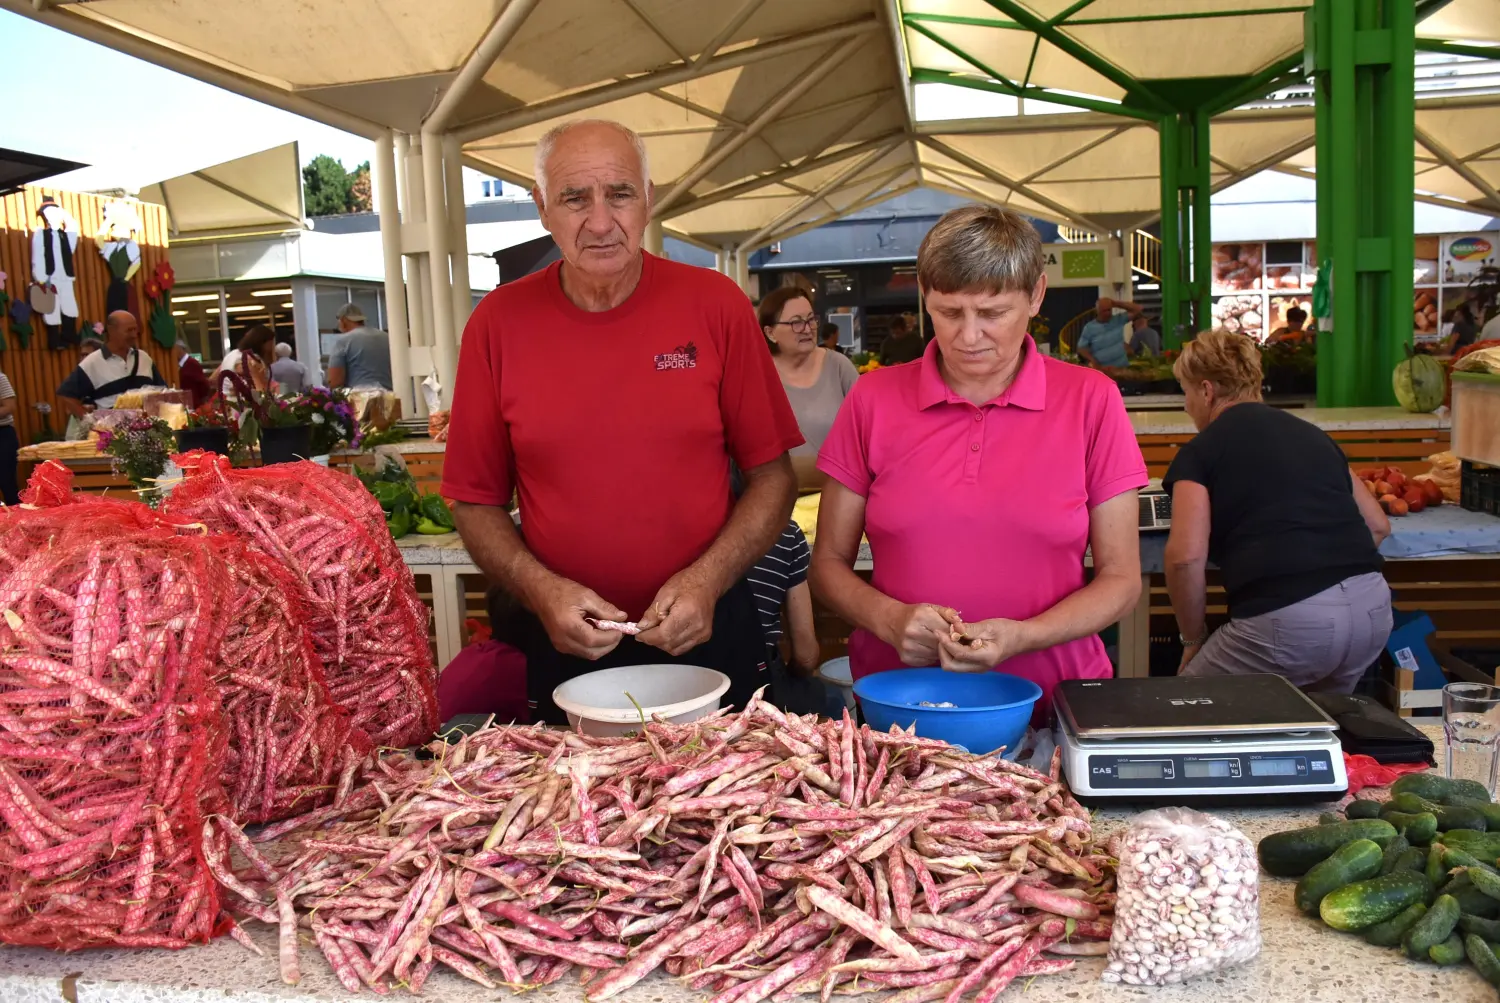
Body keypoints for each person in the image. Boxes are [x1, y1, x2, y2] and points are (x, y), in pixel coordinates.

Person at [442, 118, 802, 724]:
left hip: (711, 628)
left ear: (649, 199)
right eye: (575, 198)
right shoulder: (497, 325)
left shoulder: (715, 305)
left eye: (620, 194)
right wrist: (540, 590)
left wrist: (708, 581)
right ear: (541, 209)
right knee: (578, 819)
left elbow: (774, 476)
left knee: (728, 813)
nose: (602, 222)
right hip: (567, 641)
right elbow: (473, 501)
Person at [810, 206, 1148, 712]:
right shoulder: (872, 399)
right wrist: (888, 620)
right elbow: (828, 565)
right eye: (949, 312)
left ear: (1036, 296)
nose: (968, 337)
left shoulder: (1090, 399)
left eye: (992, 313)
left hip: (1056, 704)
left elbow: (1121, 579)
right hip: (902, 709)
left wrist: (1024, 636)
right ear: (925, 296)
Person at [1163, 330, 1393, 693]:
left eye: (1186, 392)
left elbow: (1185, 559)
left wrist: (1193, 641)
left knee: (1187, 707)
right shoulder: (1313, 435)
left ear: (1206, 391)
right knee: (1320, 727)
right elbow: (1377, 526)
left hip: (1291, 621)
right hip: (1371, 612)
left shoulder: (1201, 451)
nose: (1187, 404)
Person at [761, 286, 859, 458]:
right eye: (796, 323)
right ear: (770, 333)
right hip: (774, 483)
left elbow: (869, 428)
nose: (807, 329)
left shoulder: (838, 367)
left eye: (811, 320)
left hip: (838, 483)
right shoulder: (756, 375)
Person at [57, 311, 160, 430]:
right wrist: (91, 422)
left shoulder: (144, 358)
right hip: (113, 438)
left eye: (135, 329)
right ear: (111, 331)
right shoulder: (92, 362)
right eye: (129, 330)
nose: (134, 335)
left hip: (149, 433)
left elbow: (162, 391)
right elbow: (65, 394)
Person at [327, 303, 392, 390]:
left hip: (360, 398)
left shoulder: (343, 341)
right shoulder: (386, 337)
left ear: (343, 321)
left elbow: (335, 382)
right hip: (389, 396)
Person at [1074, 297, 1142, 371]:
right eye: (1104, 311)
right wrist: (1092, 360)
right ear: (1098, 311)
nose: (1108, 313)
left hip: (1122, 368)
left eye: (1109, 310)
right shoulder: (1089, 328)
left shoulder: (1118, 320)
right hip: (1103, 370)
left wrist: (1116, 303)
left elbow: (1138, 309)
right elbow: (1081, 348)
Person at [214, 325, 276, 393]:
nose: (272, 346)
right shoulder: (249, 359)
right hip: (241, 400)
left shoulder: (233, 354)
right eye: (271, 342)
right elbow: (259, 386)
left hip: (226, 397)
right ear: (262, 342)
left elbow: (213, 378)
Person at [173, 340, 213, 408]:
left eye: (173, 350)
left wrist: (201, 401)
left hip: (194, 405)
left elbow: (204, 384)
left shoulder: (192, 363)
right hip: (184, 405)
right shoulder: (178, 365)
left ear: (179, 349)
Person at [0, 369, 17, 506]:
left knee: (7, 480)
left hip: (3, 435)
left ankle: (18, 523)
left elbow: (9, 407)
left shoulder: (1, 378)